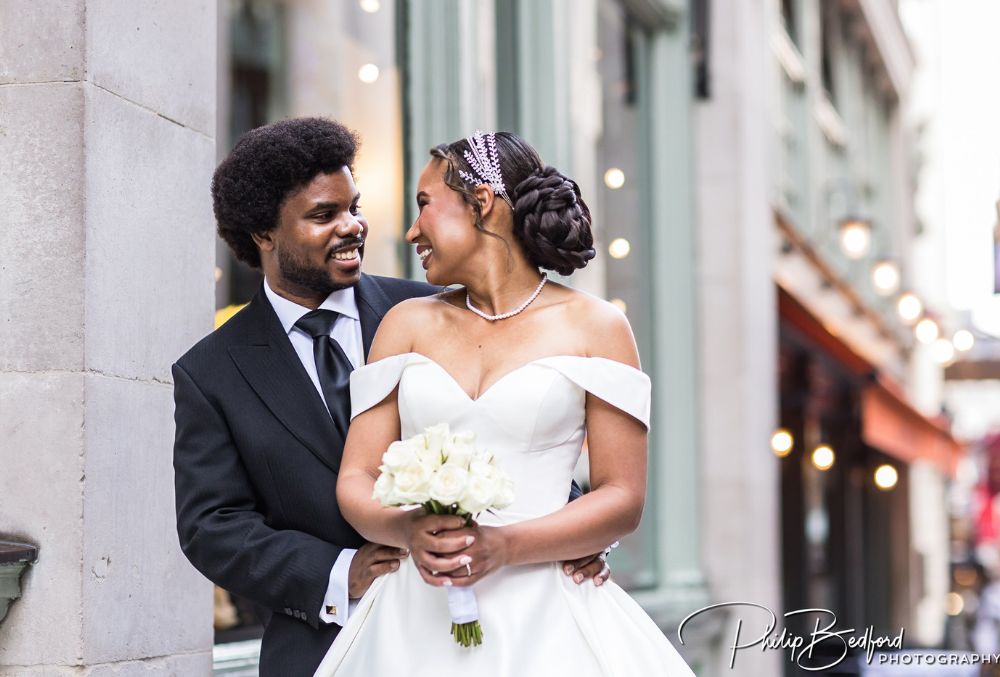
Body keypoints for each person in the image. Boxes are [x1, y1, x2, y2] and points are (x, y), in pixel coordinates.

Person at [172, 118, 611, 676]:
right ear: (264, 234)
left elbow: (509, 426)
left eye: (353, 207)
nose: (352, 227)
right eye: (323, 215)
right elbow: (213, 526)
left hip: (496, 629)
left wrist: (570, 529)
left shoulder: (433, 310)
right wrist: (340, 572)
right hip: (321, 646)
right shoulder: (211, 371)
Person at [314, 131, 694, 675]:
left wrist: (505, 546)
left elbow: (623, 496)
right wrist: (407, 530)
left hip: (548, 615)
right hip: (411, 615)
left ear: (482, 202)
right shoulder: (405, 325)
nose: (411, 230)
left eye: (424, 205)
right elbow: (356, 477)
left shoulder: (598, 327)